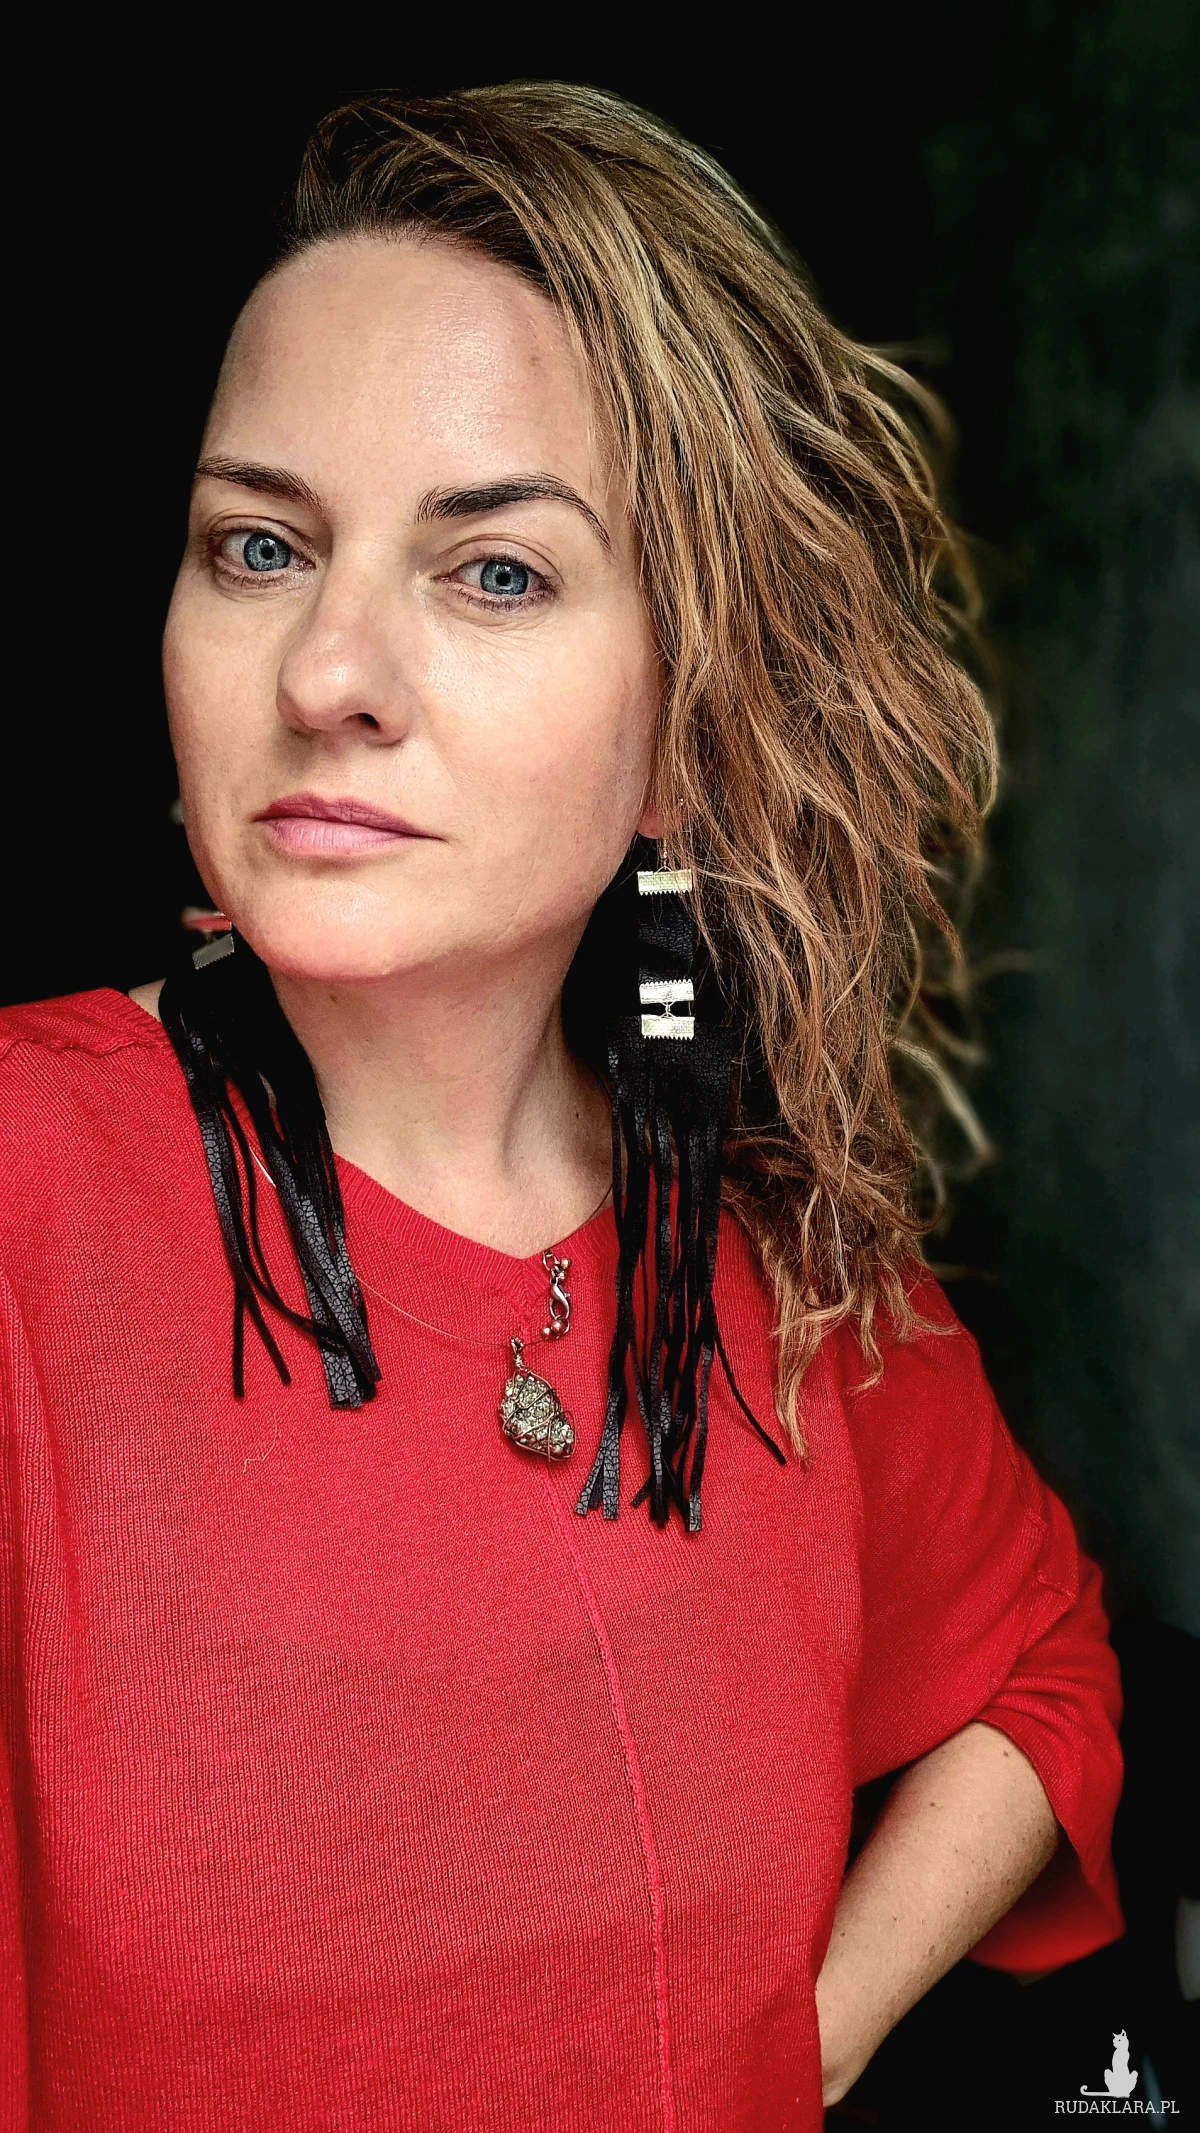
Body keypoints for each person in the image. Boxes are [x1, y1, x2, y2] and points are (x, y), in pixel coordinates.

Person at [0, 84, 1124, 2133]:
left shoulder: (768, 1268)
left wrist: (785, 2050)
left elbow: (1043, 1672)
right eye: (260, 545)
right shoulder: (28, 1199)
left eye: (497, 573)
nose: (327, 671)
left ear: (685, 725)